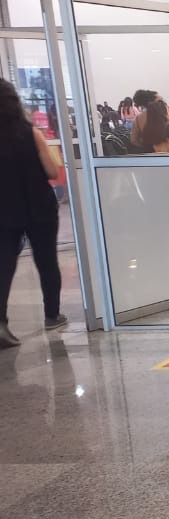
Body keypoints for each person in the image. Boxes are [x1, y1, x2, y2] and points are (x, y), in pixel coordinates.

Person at [0, 78, 65, 346]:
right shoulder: (30, 132)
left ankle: (1, 323)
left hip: (4, 209)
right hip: (39, 207)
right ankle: (52, 315)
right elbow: (51, 171)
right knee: (46, 260)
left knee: (4, 264)